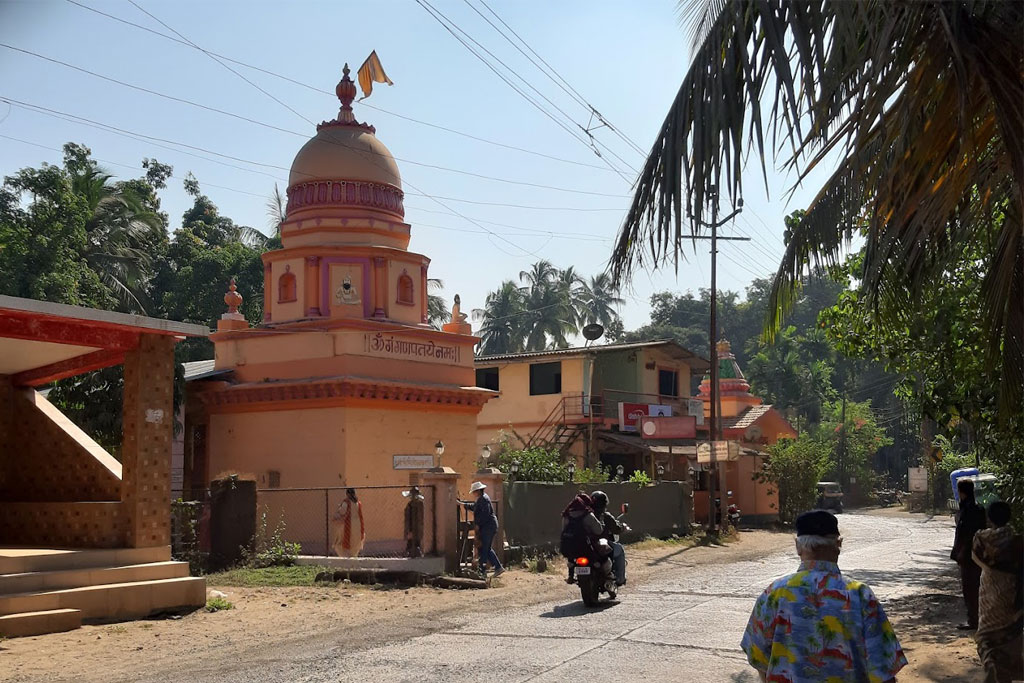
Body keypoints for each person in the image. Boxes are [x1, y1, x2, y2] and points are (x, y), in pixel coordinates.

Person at [740, 510, 907, 683]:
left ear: (798, 547)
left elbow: (757, 657)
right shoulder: (860, 595)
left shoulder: (774, 593)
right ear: (839, 545)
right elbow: (884, 668)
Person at [972, 501, 1023, 683]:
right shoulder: (1018, 542)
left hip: (990, 598)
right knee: (1010, 641)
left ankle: (992, 667)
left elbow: (974, 556)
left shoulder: (981, 540)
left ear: (989, 518)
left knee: (986, 639)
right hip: (1012, 599)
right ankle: (1003, 673)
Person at [951, 478, 987, 629]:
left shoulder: (968, 510)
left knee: (970, 588)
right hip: (978, 554)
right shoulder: (978, 508)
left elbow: (966, 535)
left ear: (961, 492)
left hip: (968, 555)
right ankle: (978, 618)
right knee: (977, 587)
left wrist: (960, 552)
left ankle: (974, 620)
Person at [560, 492, 604, 583]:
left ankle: (570, 576)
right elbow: (599, 530)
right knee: (598, 557)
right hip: (585, 546)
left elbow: (563, 530)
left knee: (571, 559)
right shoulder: (588, 515)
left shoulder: (566, 515)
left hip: (569, 547)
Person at [462, 481, 503, 578]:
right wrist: (464, 504)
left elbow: (484, 515)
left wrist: (478, 525)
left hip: (488, 527)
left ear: (477, 491)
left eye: (474, 491)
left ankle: (482, 570)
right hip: (488, 526)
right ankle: (497, 567)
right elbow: (476, 508)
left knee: (484, 548)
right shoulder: (482, 499)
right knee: (485, 548)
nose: (473, 494)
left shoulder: (483, 499)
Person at [591, 490, 627, 586]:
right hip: (603, 544)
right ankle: (620, 579)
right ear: (605, 503)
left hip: (588, 544)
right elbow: (616, 529)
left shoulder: (586, 515)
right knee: (619, 549)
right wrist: (623, 528)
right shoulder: (605, 516)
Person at [331, 488, 365, 557]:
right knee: (354, 544)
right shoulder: (358, 503)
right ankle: (352, 559)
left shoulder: (346, 502)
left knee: (339, 544)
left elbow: (342, 512)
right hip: (357, 526)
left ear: (347, 494)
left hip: (348, 525)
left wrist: (336, 514)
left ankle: (346, 560)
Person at [402, 486, 425, 558]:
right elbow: (408, 518)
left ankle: (414, 554)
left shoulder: (420, 505)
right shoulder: (409, 505)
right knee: (411, 543)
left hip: (417, 527)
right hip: (411, 527)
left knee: (415, 543)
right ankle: (410, 554)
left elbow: (420, 517)